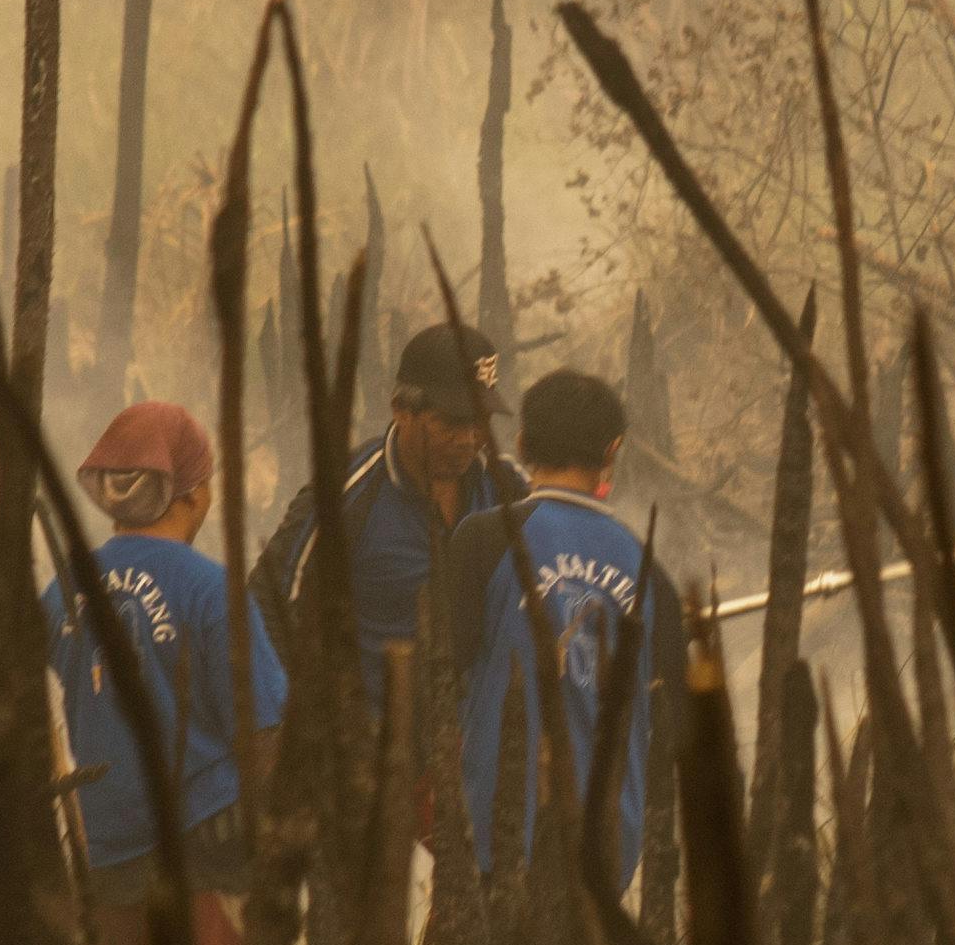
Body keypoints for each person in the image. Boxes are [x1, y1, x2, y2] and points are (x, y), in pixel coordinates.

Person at [48, 399, 283, 945]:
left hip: (102, 850)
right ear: (195, 491)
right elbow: (263, 728)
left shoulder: (63, 590)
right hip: (200, 854)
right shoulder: (209, 589)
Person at [438, 368, 681, 887]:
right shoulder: (650, 571)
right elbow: (674, 718)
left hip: (500, 844)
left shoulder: (483, 540)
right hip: (608, 851)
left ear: (522, 443)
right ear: (612, 450)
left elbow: (439, 680)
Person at [252, 322, 522, 755]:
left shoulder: (507, 492)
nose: (469, 440)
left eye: (480, 423)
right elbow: (266, 603)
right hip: (365, 760)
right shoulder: (346, 495)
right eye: (452, 423)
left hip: (472, 755)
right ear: (401, 410)